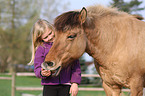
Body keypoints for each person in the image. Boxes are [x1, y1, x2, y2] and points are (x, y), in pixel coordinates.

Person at [28, 19, 81, 96]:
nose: (49, 37)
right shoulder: (41, 49)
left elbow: (75, 65)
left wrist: (75, 83)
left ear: (53, 28)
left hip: (66, 85)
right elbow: (37, 68)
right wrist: (42, 73)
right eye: (46, 37)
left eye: (50, 33)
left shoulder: (65, 43)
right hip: (49, 86)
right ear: (40, 39)